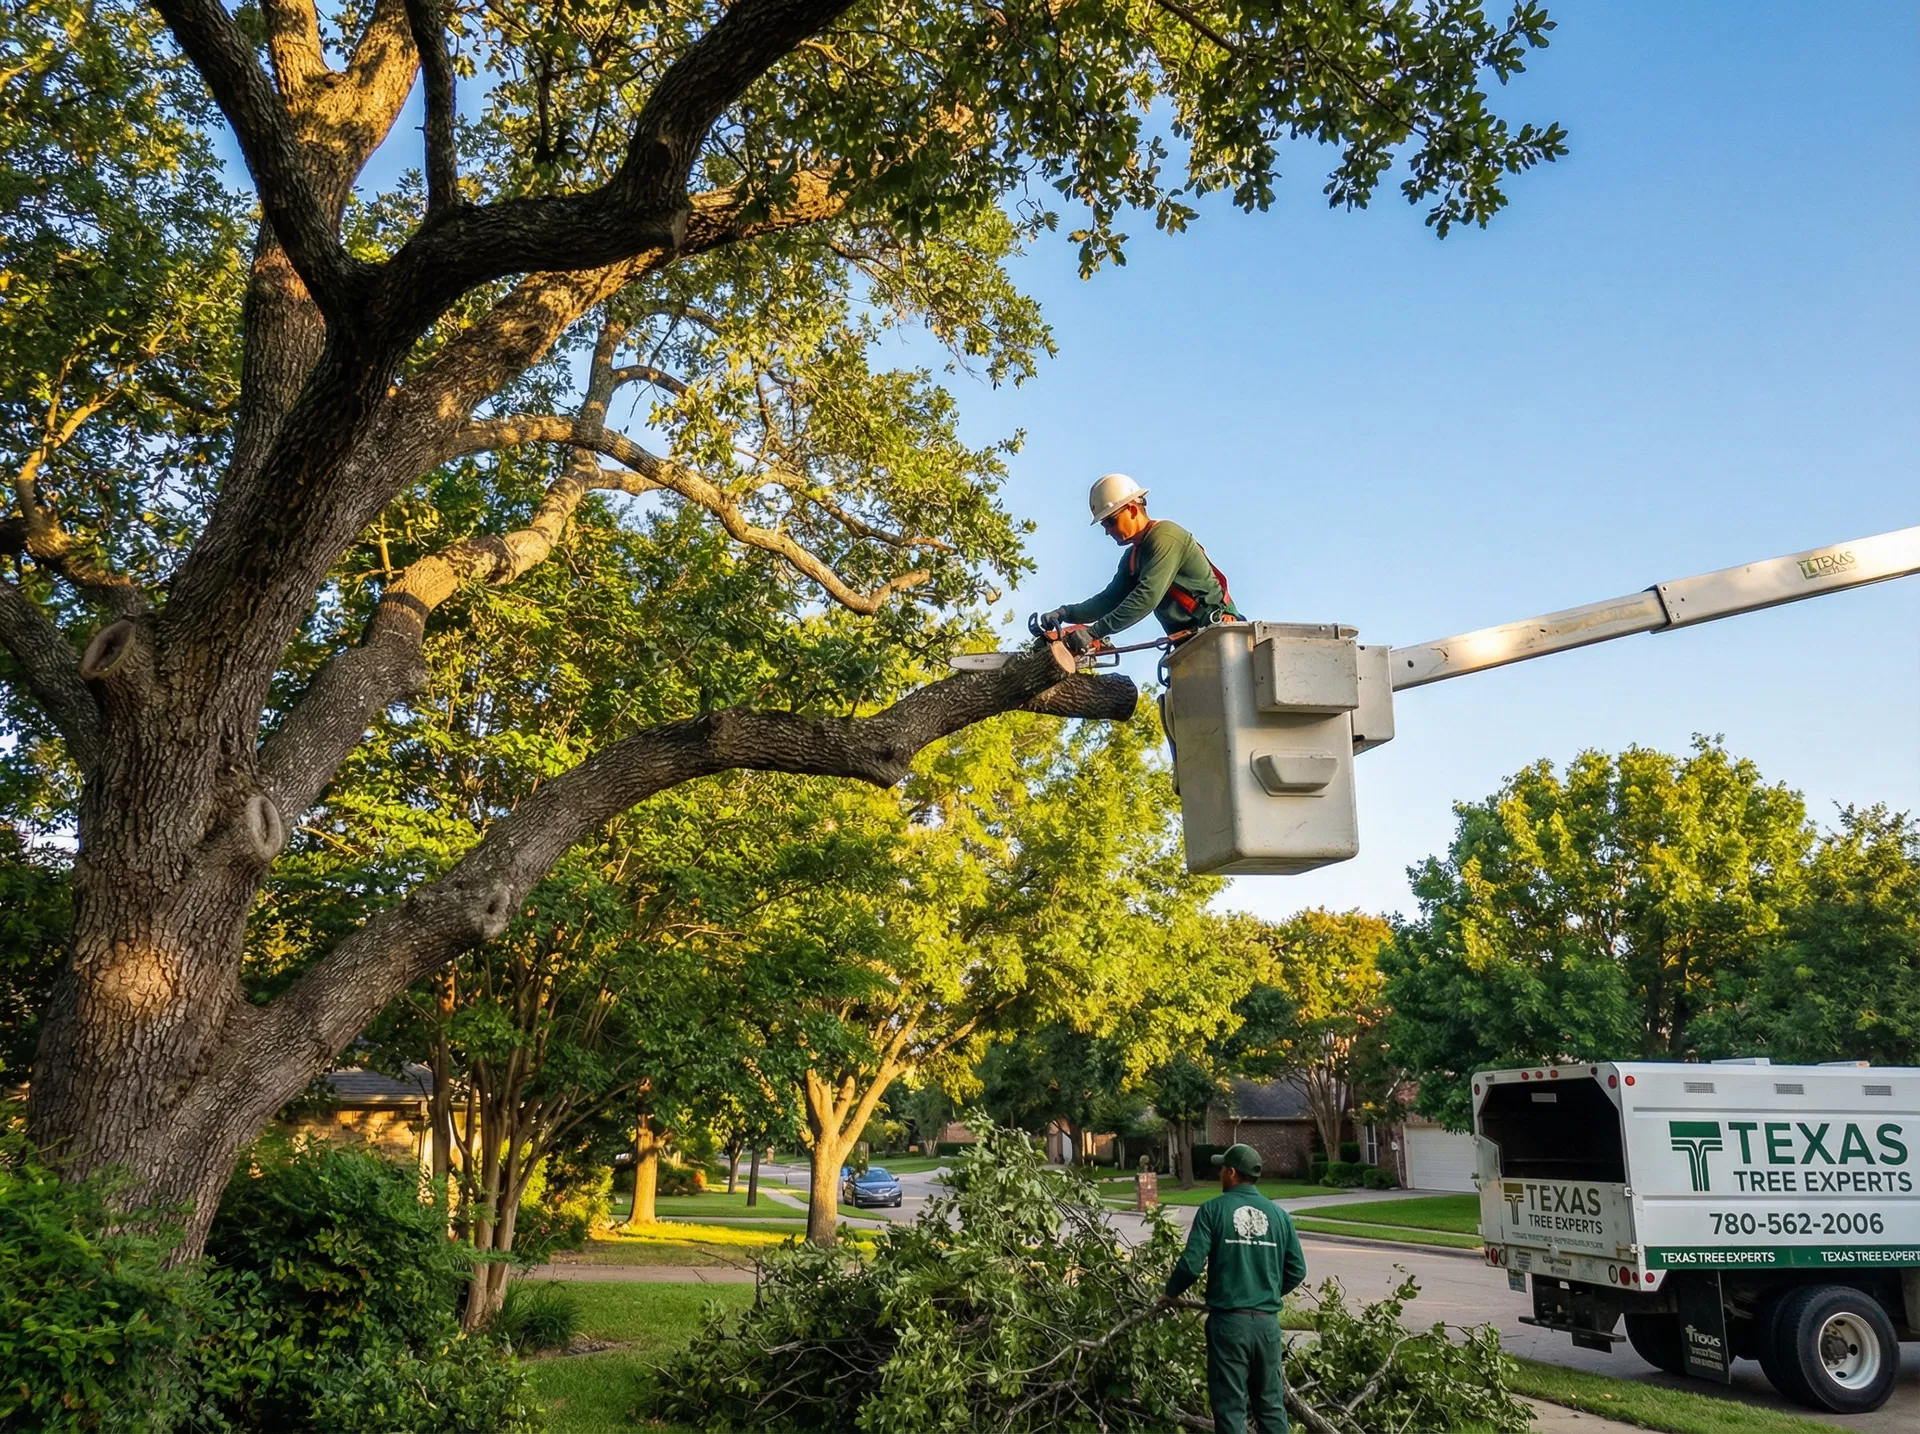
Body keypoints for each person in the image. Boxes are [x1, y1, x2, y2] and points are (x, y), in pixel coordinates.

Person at [1163, 1143, 1307, 1434]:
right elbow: (1297, 1269)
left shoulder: (1212, 1210)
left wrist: (1171, 1293)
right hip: (1267, 1326)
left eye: (1222, 1168)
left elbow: (1190, 1265)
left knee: (1230, 1408)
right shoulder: (1279, 1215)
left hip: (1229, 1324)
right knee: (1271, 1405)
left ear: (1231, 1172)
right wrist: (1264, 1291)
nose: (1219, 1173)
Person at [1032, 473, 1240, 655]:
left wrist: (1095, 632)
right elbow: (1108, 600)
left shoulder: (1166, 536)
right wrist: (1066, 613)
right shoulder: (1132, 558)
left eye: (1110, 521)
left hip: (1220, 633)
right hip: (1188, 644)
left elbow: (1147, 596)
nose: (1107, 531)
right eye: (1104, 525)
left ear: (1132, 509)